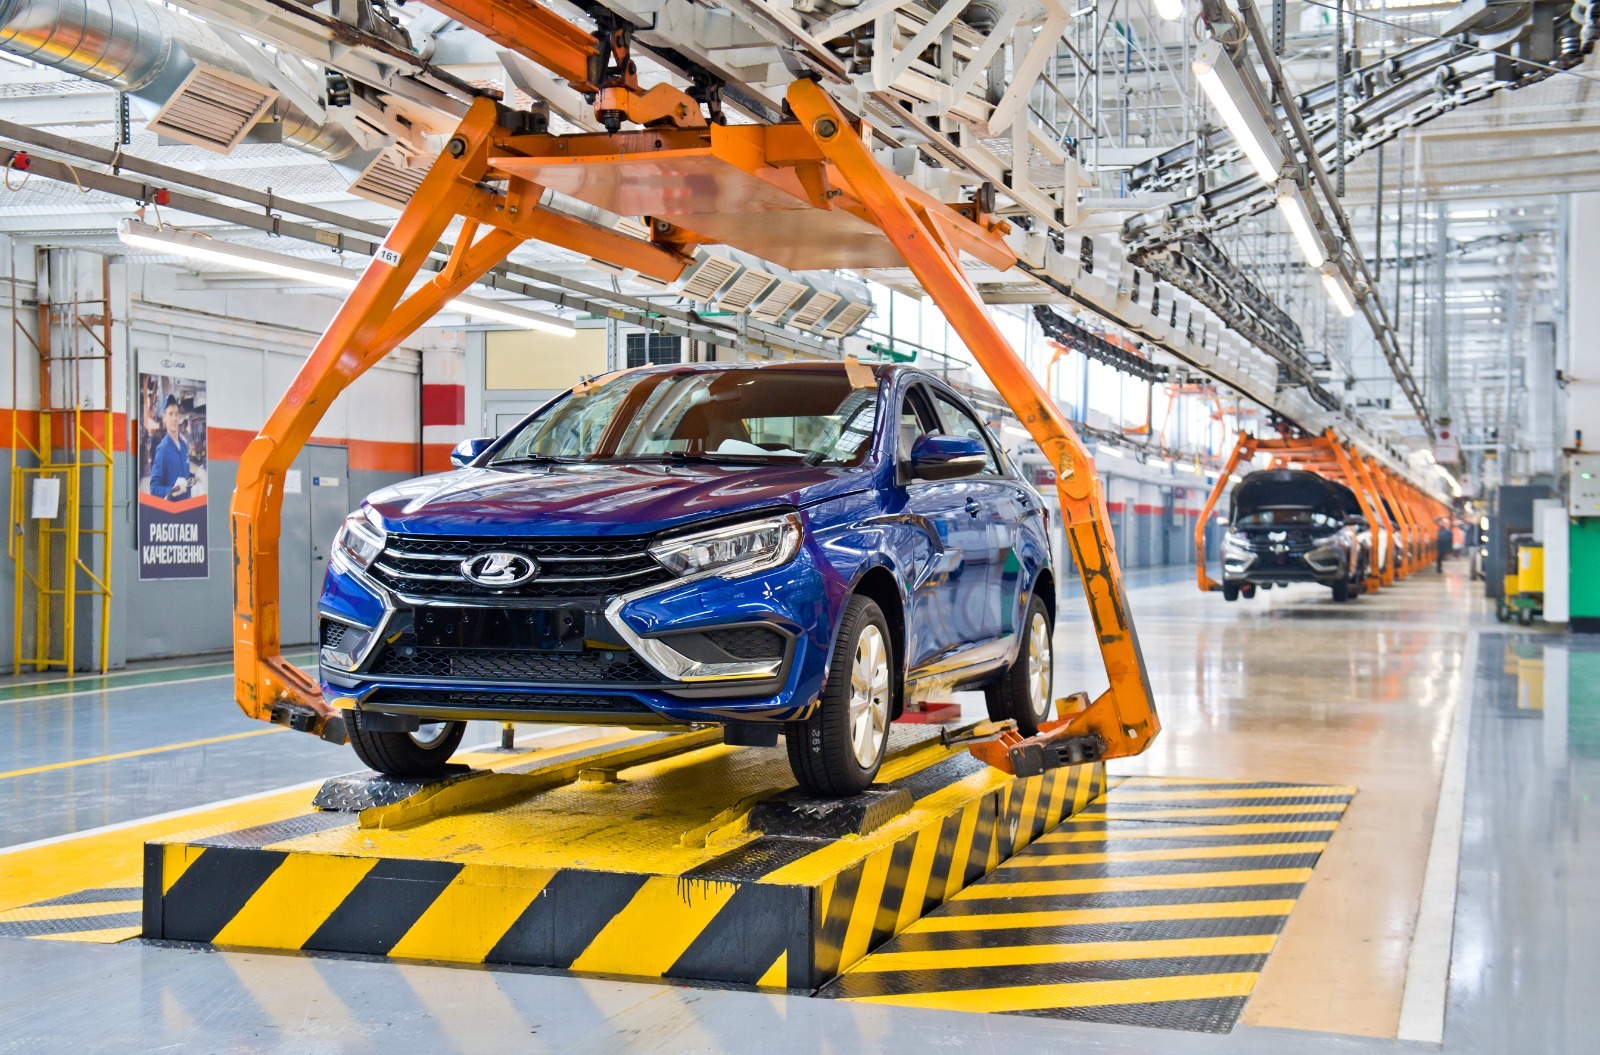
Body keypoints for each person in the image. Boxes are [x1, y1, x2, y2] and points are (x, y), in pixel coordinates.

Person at [149, 395, 191, 500]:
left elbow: (185, 475)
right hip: (172, 509)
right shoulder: (163, 449)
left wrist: (195, 476)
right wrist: (173, 490)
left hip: (188, 507)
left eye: (176, 414)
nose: (174, 418)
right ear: (164, 417)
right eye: (170, 414)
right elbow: (154, 489)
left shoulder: (183, 446)